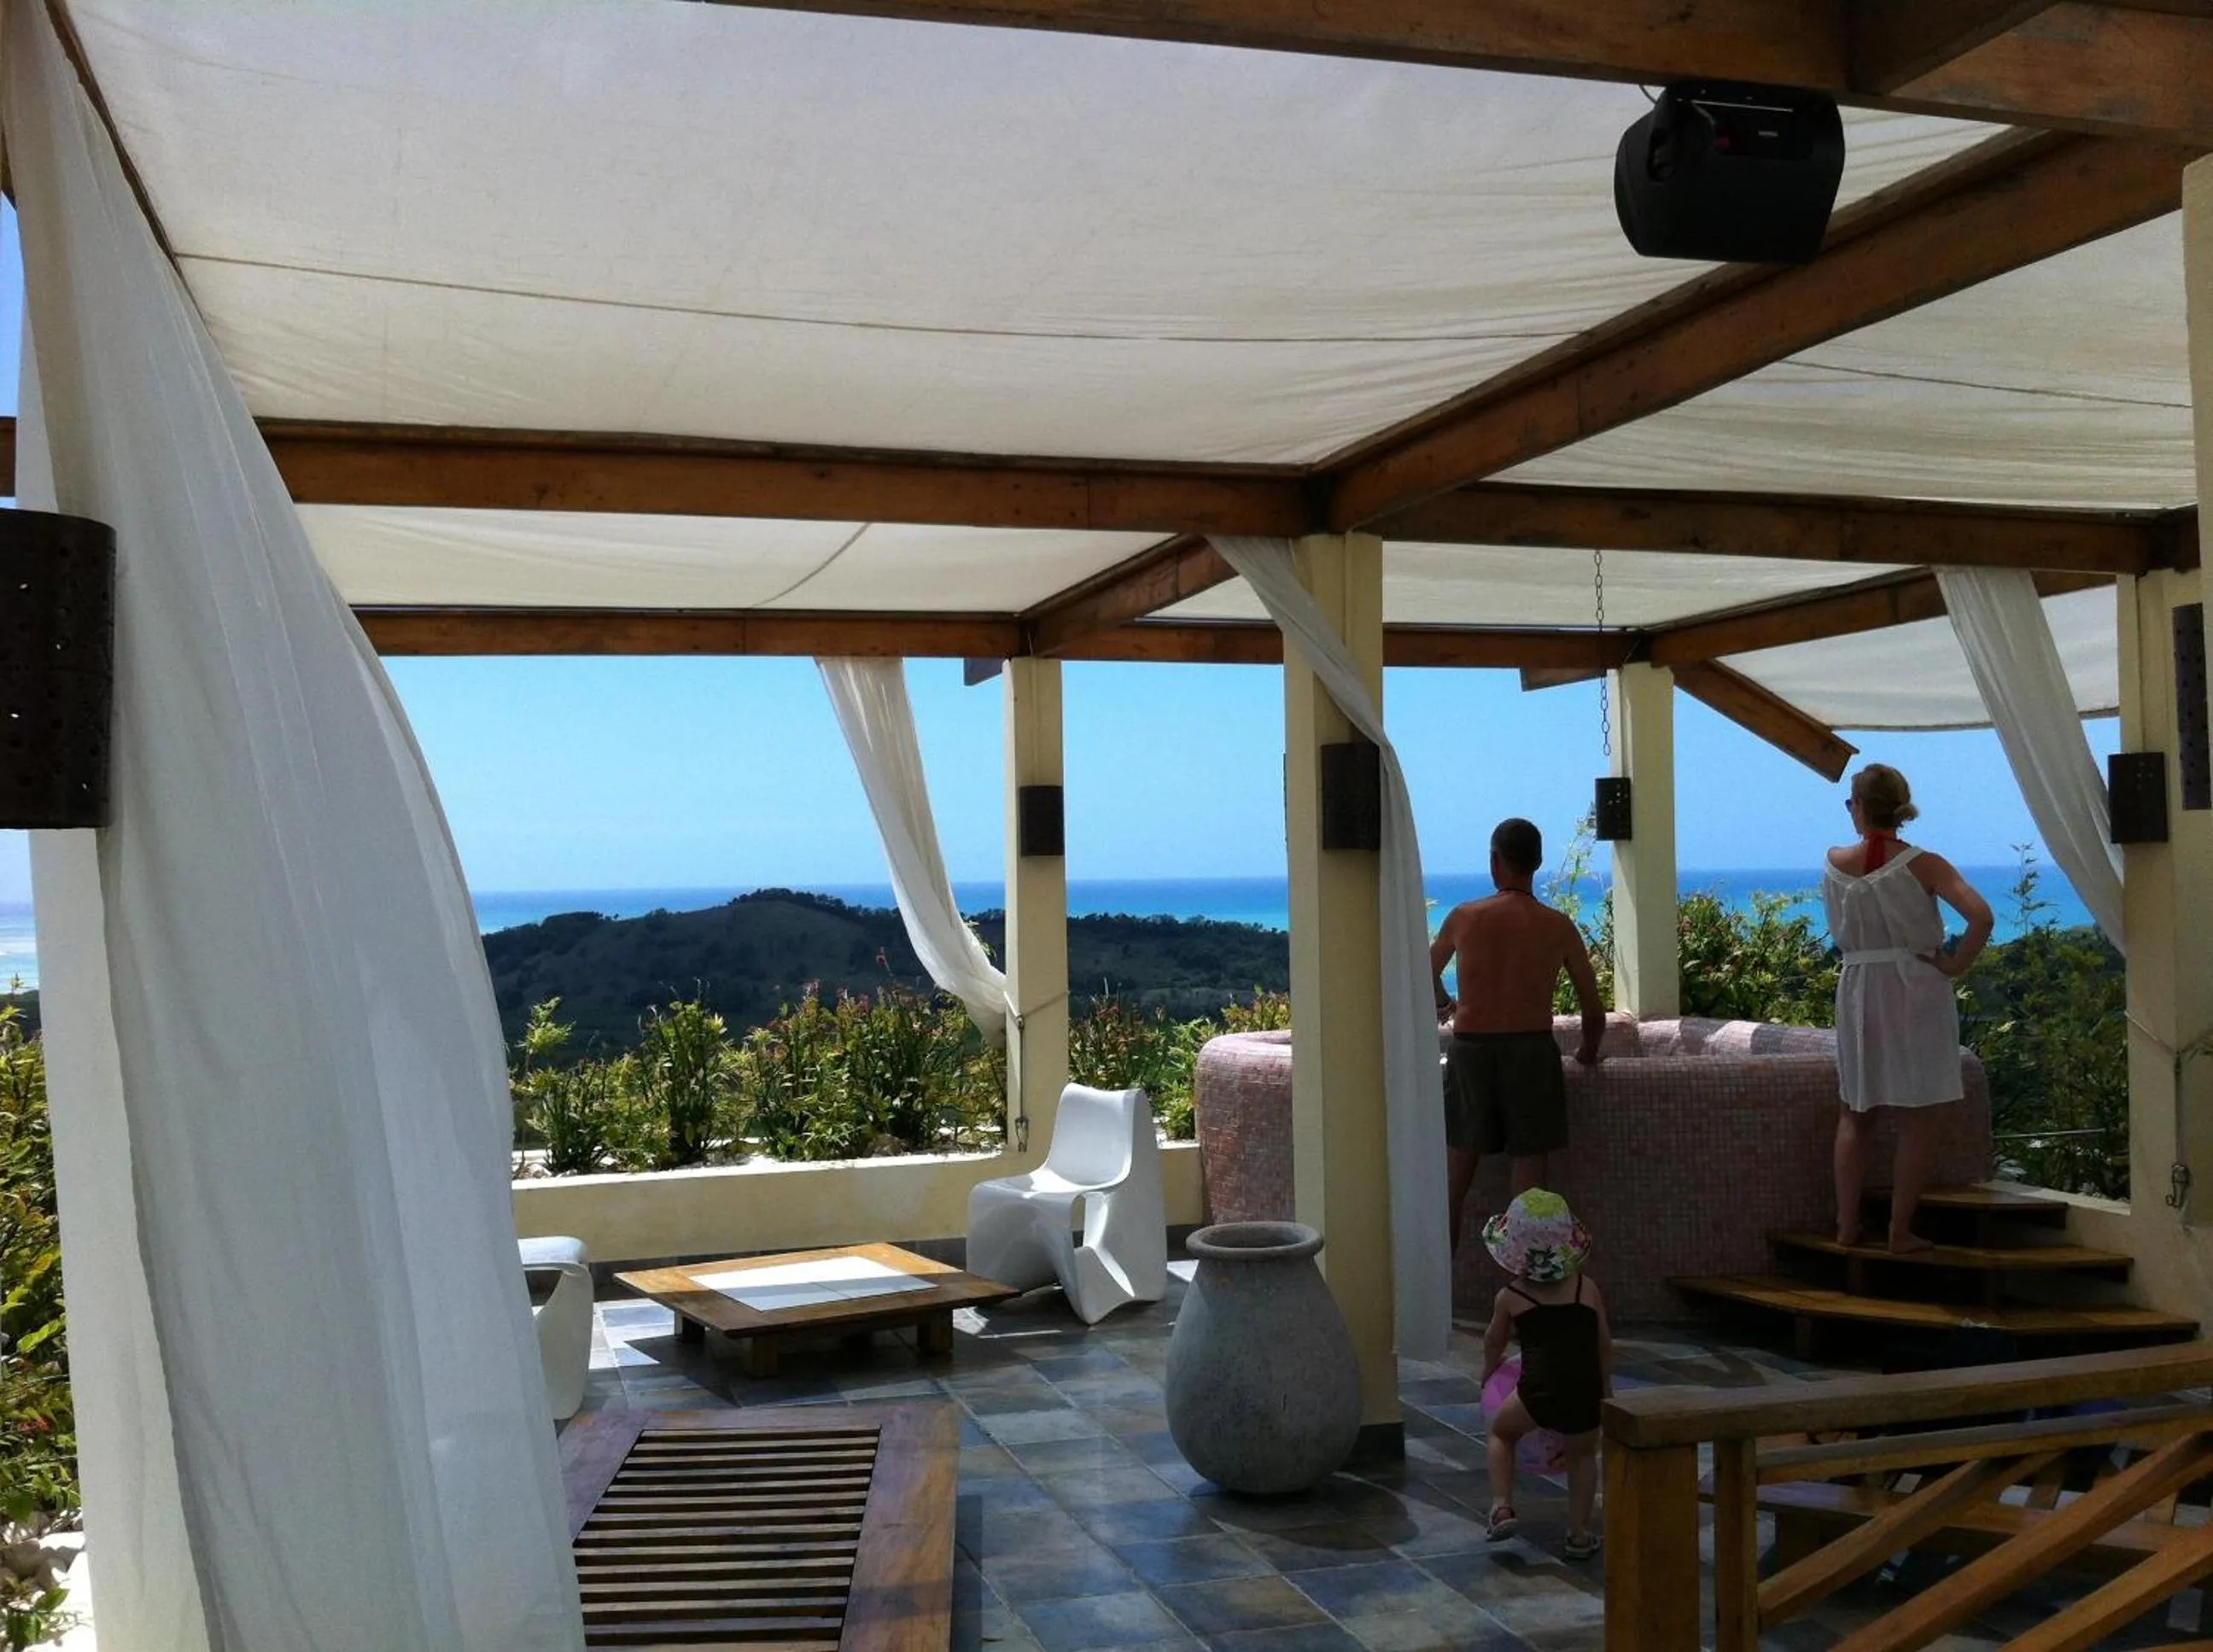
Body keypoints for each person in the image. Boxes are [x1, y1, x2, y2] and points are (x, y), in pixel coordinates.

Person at [1825, 762, 1993, 1253]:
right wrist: (1957, 962)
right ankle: (1899, 1231)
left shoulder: (1834, 862)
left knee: (1857, 1110)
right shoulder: (1925, 864)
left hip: (1858, 986)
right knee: (1919, 1114)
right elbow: (1980, 916)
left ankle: (1846, 1227)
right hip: (1915, 986)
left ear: (1857, 806)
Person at [1431, 818, 1605, 1254]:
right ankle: (1525, 1294)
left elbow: (1423, 970)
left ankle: (1439, 1299)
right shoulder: (1558, 927)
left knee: (1453, 1182)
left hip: (1471, 1051)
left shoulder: (1465, 918)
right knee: (1529, 1193)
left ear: (1494, 861)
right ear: (1538, 863)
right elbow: (1592, 1008)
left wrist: (1445, 1005)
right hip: (1531, 1053)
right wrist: (1587, 1052)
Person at [1480, 1188, 1610, 1560]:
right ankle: (1580, 1534)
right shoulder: (1588, 1289)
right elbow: (1603, 1344)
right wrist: (1607, 1387)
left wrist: (1489, 1372)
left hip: (1538, 1390)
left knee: (1503, 1432)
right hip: (1585, 1390)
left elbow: (1494, 1341)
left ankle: (1502, 1506)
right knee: (1583, 1457)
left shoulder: (1511, 1296)